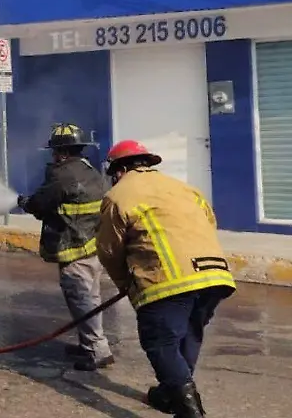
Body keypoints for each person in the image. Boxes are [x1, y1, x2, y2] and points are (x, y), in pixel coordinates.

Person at [97, 139, 236, 418]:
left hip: (168, 280)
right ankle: (169, 393)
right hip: (215, 275)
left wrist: (127, 283)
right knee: (188, 333)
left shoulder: (119, 195)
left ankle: (189, 411)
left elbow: (109, 250)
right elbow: (209, 222)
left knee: (160, 342)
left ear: (118, 169)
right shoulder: (186, 188)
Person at [17, 123, 114, 371]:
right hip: (92, 246)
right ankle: (90, 344)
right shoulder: (90, 170)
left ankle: (97, 350)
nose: (53, 156)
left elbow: (40, 204)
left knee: (82, 299)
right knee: (90, 296)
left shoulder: (62, 175)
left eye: (54, 151)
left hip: (74, 249)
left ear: (60, 151)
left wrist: (25, 202)